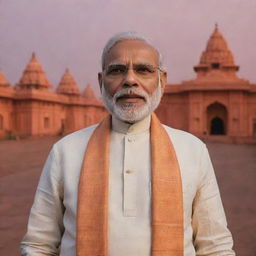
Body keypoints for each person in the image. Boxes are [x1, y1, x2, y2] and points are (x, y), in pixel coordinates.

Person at [21, 32, 235, 256]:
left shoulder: (192, 150)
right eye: (117, 70)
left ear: (162, 81)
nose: (130, 80)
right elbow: (39, 245)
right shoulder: (66, 151)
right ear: (101, 81)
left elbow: (215, 246)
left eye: (143, 70)